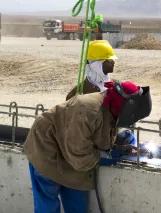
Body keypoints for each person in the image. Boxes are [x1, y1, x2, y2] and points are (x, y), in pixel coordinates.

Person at [24, 80, 151, 213]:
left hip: (71, 152)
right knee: (47, 204)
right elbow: (79, 154)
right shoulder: (88, 110)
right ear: (125, 106)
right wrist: (103, 157)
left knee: (77, 205)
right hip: (46, 148)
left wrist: (121, 146)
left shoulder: (111, 109)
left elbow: (100, 136)